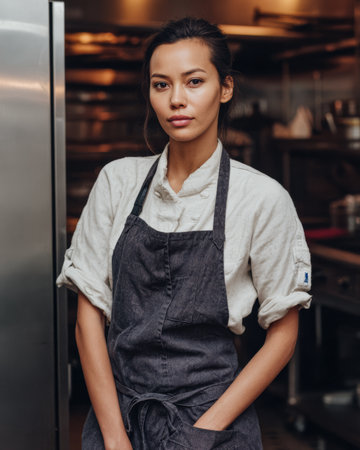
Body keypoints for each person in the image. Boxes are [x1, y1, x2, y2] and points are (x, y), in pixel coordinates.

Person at [57, 17, 312, 450]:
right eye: (161, 85)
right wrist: (116, 438)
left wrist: (204, 431)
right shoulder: (117, 182)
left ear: (225, 88)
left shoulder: (262, 198)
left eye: (194, 81)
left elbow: (283, 333)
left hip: (215, 421)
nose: (177, 100)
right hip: (118, 416)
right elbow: (88, 318)